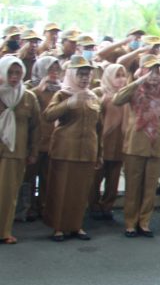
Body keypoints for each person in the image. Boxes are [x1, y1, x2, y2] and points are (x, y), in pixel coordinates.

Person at [111, 54, 160, 237]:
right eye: (150, 70)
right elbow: (117, 99)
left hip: (157, 147)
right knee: (133, 186)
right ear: (142, 70)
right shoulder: (135, 90)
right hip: (135, 146)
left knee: (150, 188)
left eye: (156, 70)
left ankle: (144, 222)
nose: (154, 75)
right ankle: (130, 223)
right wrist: (139, 81)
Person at [42, 55, 102, 241]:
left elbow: (98, 127)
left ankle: (76, 225)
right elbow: (48, 115)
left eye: (88, 75)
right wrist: (69, 103)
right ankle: (58, 226)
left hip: (87, 151)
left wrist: (99, 152)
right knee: (60, 189)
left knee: (81, 191)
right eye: (81, 74)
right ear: (72, 74)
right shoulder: (63, 94)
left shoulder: (93, 97)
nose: (85, 78)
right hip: (65, 150)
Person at [0, 56, 40, 244]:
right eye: (10, 72)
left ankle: (4, 231)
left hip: (15, 152)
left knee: (8, 194)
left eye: (18, 73)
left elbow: (36, 127)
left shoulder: (28, 97)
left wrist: (33, 152)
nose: (14, 77)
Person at [19, 56, 61, 222]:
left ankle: (43, 206)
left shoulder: (60, 89)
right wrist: (39, 89)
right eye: (50, 69)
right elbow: (25, 106)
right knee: (29, 176)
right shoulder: (30, 87)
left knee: (47, 177)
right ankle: (27, 208)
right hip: (35, 139)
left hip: (52, 140)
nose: (54, 73)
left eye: (56, 69)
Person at [89, 64, 128, 221]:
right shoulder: (99, 93)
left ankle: (107, 206)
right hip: (103, 141)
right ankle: (93, 205)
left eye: (123, 75)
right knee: (96, 176)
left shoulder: (127, 95)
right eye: (117, 76)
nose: (121, 79)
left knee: (114, 178)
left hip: (120, 141)